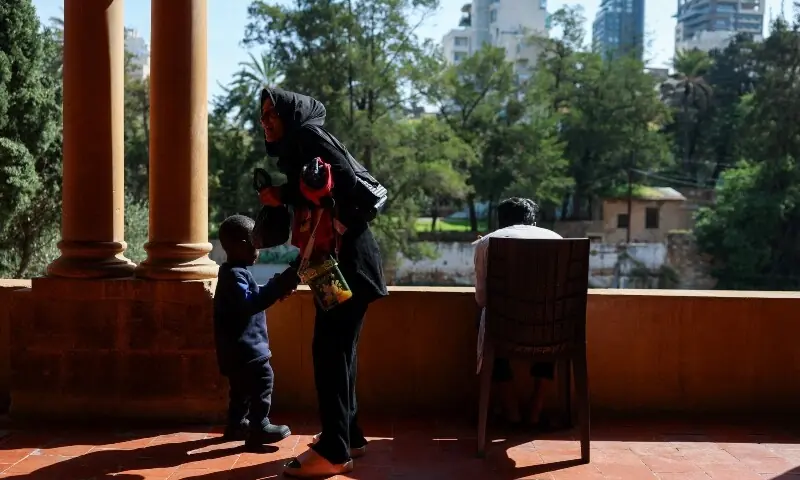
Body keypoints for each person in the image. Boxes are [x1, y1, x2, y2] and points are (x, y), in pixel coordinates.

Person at [257, 87, 388, 478]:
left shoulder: (309, 137)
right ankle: (349, 435)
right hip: (338, 264)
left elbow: (341, 179)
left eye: (271, 114)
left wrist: (282, 193)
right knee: (338, 351)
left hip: (346, 263)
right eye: (262, 116)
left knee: (330, 352)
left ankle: (334, 450)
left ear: (290, 115)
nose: (266, 122)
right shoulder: (300, 146)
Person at [472, 197, 562, 428]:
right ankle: (536, 408)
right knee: (555, 319)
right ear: (533, 221)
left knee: (486, 321)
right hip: (549, 331)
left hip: (504, 330)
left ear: (501, 222)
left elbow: (481, 299)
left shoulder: (487, 243)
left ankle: (511, 409)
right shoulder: (556, 240)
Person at [213, 215, 300, 448]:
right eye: (256, 243)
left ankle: (236, 425)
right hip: (247, 351)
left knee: (240, 391)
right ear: (242, 245)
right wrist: (278, 286)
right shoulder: (234, 275)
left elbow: (251, 297)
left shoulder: (234, 272)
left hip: (235, 351)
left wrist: (275, 288)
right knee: (263, 381)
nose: (259, 249)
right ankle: (259, 426)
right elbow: (249, 303)